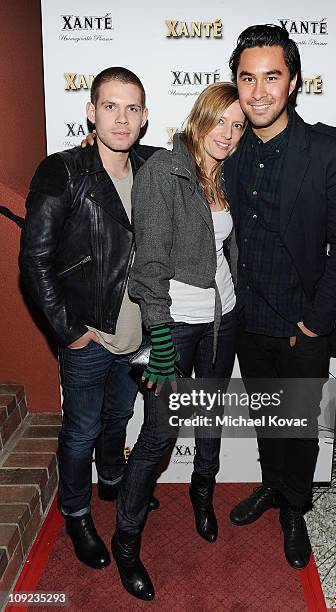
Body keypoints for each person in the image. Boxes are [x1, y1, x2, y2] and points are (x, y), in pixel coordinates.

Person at [224, 25, 336, 569]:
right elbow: (163, 164)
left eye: (272, 77)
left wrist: (314, 322)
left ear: (294, 81)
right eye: (247, 78)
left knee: (299, 427)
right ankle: (271, 486)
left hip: (303, 323)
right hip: (245, 319)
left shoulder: (328, 150)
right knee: (266, 417)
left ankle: (294, 509)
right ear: (236, 84)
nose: (259, 92)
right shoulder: (227, 148)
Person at [19, 66, 159, 571]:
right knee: (80, 430)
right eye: (110, 106)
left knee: (119, 417)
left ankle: (113, 481)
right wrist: (70, 332)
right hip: (90, 332)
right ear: (91, 111)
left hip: (137, 333)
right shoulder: (63, 171)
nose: (121, 119)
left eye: (131, 108)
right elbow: (34, 259)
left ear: (144, 117)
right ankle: (75, 511)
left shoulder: (153, 167)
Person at [109, 82, 245, 601]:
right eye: (220, 122)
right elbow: (150, 265)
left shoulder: (224, 173)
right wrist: (161, 338)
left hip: (222, 316)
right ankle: (127, 541)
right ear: (199, 117)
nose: (228, 134)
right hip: (176, 323)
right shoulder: (164, 172)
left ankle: (202, 492)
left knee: (209, 411)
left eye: (237, 126)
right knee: (159, 436)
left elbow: (226, 248)